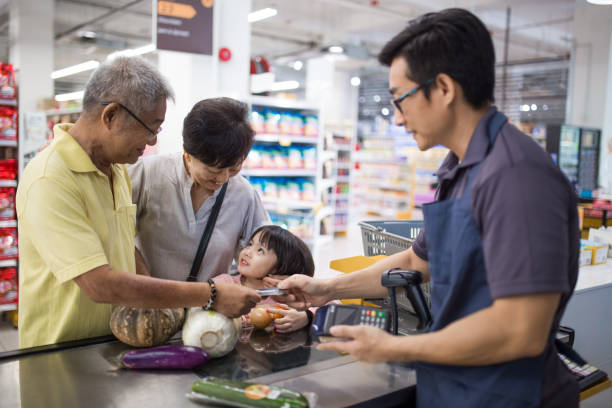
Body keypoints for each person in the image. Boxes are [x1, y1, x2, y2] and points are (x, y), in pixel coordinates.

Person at [275, 8, 579, 408]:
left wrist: (394, 348)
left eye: (401, 100)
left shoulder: (515, 177)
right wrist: (325, 289)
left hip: (508, 395)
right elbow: (417, 264)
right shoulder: (461, 169)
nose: (397, 119)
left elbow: (520, 331)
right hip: (457, 387)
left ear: (445, 89)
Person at [16, 57, 260, 349]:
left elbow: (121, 245)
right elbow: (99, 284)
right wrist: (210, 294)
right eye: (151, 128)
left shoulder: (117, 170)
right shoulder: (51, 179)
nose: (153, 140)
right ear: (111, 116)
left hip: (117, 341)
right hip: (61, 350)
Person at [127, 97, 269, 282]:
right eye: (213, 171)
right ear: (187, 154)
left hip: (208, 309)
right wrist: (147, 287)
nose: (224, 179)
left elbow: (267, 251)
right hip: (148, 302)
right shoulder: (147, 174)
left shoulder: (244, 194)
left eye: (234, 168)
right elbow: (112, 233)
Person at [214, 225, 334, 333]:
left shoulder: (288, 295)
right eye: (250, 244)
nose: (247, 252)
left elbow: (333, 306)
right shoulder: (224, 283)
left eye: (260, 251)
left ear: (280, 268)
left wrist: (307, 316)